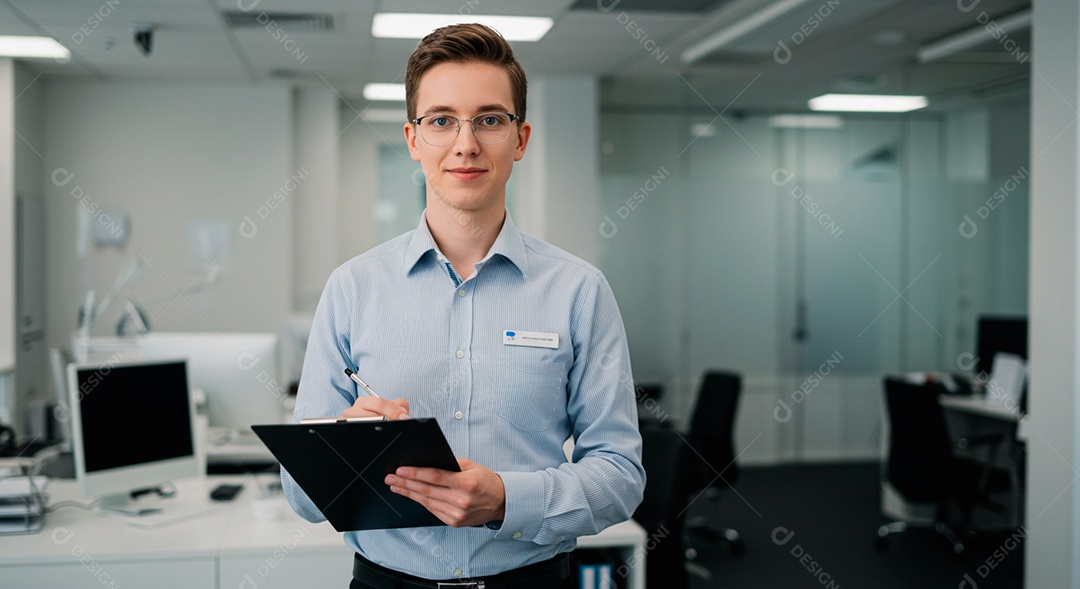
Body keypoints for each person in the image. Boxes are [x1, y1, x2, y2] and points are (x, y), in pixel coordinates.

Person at [282, 22, 644, 589]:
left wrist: (507, 499)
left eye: (490, 120)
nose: (466, 143)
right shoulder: (352, 288)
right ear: (412, 139)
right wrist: (341, 450)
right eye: (441, 120)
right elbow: (301, 497)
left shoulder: (579, 290)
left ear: (520, 139)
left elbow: (620, 476)